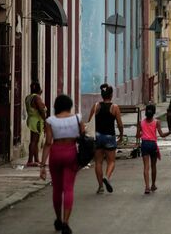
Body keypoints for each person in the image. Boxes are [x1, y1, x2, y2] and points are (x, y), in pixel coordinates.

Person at [40, 94, 84, 234]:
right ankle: (66, 222)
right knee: (68, 188)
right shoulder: (77, 118)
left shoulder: (50, 121)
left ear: (56, 106)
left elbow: (48, 143)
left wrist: (42, 165)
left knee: (57, 189)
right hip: (71, 152)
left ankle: (58, 219)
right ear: (70, 105)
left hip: (56, 153)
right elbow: (82, 136)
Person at [86, 84, 124, 194]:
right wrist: (121, 135)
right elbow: (120, 124)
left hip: (97, 136)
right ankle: (107, 177)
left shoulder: (96, 106)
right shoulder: (114, 107)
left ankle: (100, 187)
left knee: (98, 162)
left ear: (102, 95)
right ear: (111, 95)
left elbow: (90, 122)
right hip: (109, 137)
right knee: (111, 161)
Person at [136, 104, 170, 194]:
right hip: (153, 145)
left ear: (145, 112)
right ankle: (153, 185)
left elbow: (137, 135)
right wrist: (170, 131)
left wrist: (142, 133)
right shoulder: (156, 122)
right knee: (153, 166)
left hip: (144, 144)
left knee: (146, 167)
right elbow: (162, 135)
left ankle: (147, 187)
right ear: (154, 112)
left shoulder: (141, 123)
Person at [25, 82, 47, 167]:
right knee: (34, 140)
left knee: (35, 140)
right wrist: (45, 121)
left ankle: (36, 159)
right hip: (36, 120)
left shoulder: (28, 97)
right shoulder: (37, 97)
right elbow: (41, 110)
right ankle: (30, 160)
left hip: (31, 119)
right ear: (40, 90)